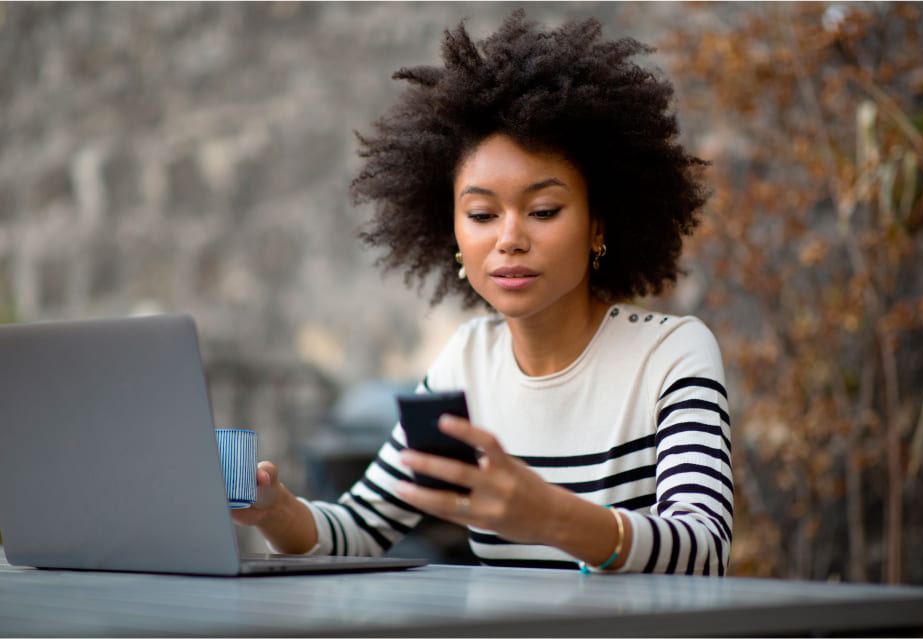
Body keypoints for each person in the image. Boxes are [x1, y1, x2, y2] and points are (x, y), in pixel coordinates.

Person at [233, 10, 733, 575]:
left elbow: (703, 548)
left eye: (543, 210)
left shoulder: (671, 354)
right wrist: (275, 511)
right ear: (452, 231)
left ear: (599, 224)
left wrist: (549, 517)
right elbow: (359, 531)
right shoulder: (466, 362)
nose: (510, 238)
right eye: (481, 213)